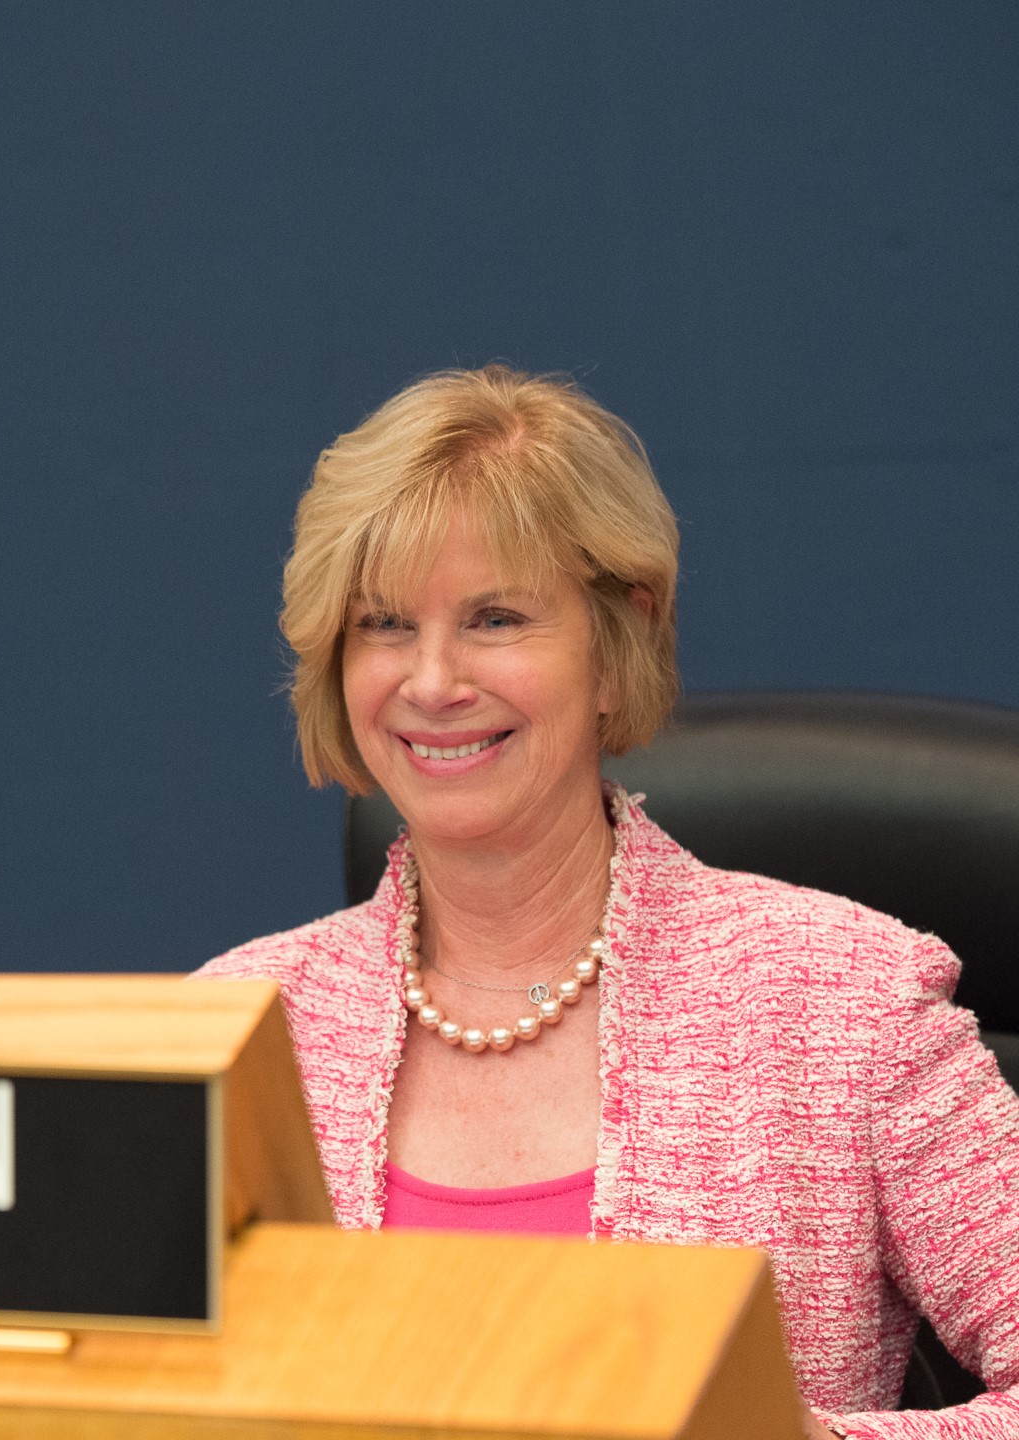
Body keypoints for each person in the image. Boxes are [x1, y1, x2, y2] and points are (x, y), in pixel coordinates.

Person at [194, 366, 1019, 1439]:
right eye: (384, 624)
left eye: (495, 619)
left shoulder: (847, 1009)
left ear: (614, 647)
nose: (432, 680)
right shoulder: (236, 1025)